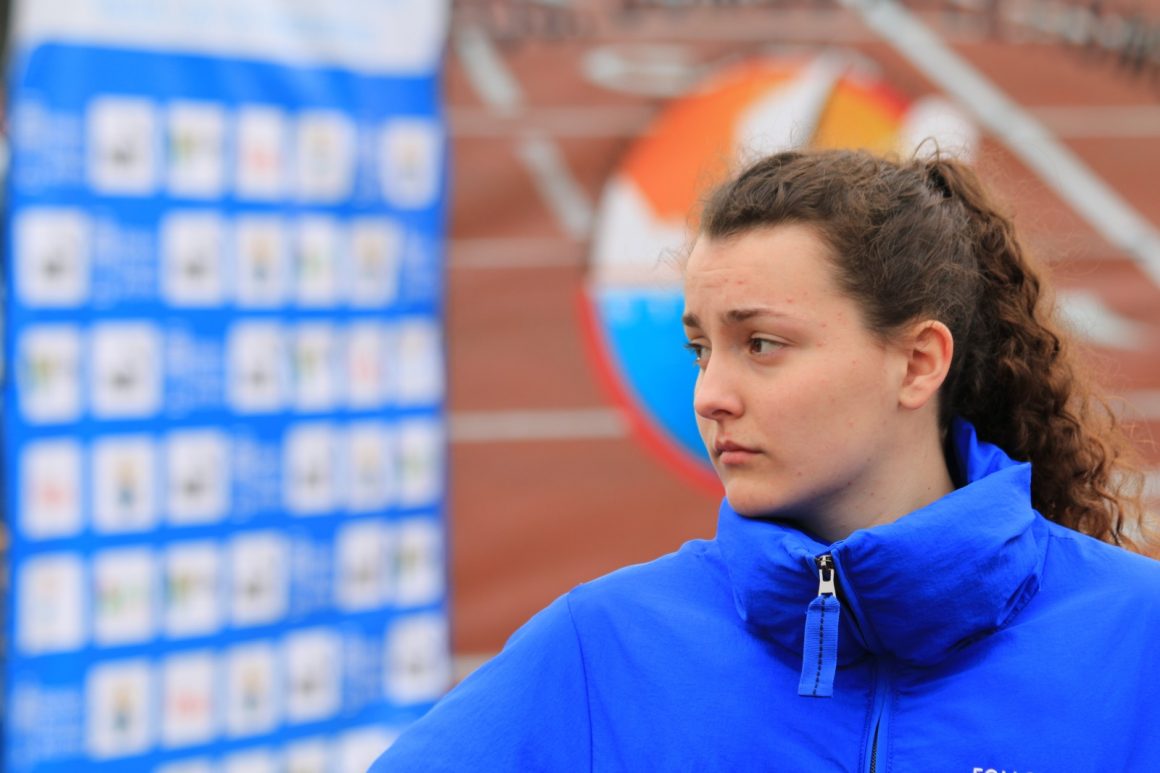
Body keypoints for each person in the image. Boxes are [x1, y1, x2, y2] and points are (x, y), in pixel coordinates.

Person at [370, 149, 1160, 771]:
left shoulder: (1137, 639)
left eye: (762, 344)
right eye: (701, 349)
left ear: (918, 362)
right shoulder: (603, 647)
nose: (710, 394)